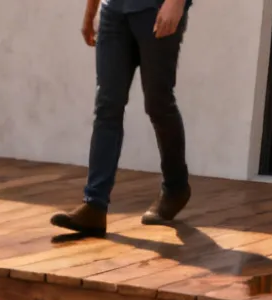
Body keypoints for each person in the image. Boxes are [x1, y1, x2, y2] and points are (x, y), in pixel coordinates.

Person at [49, 0, 192, 237]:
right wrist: (91, 11)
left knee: (158, 103)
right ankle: (94, 204)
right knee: (107, 105)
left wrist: (176, 2)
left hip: (154, 9)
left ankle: (176, 188)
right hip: (114, 11)